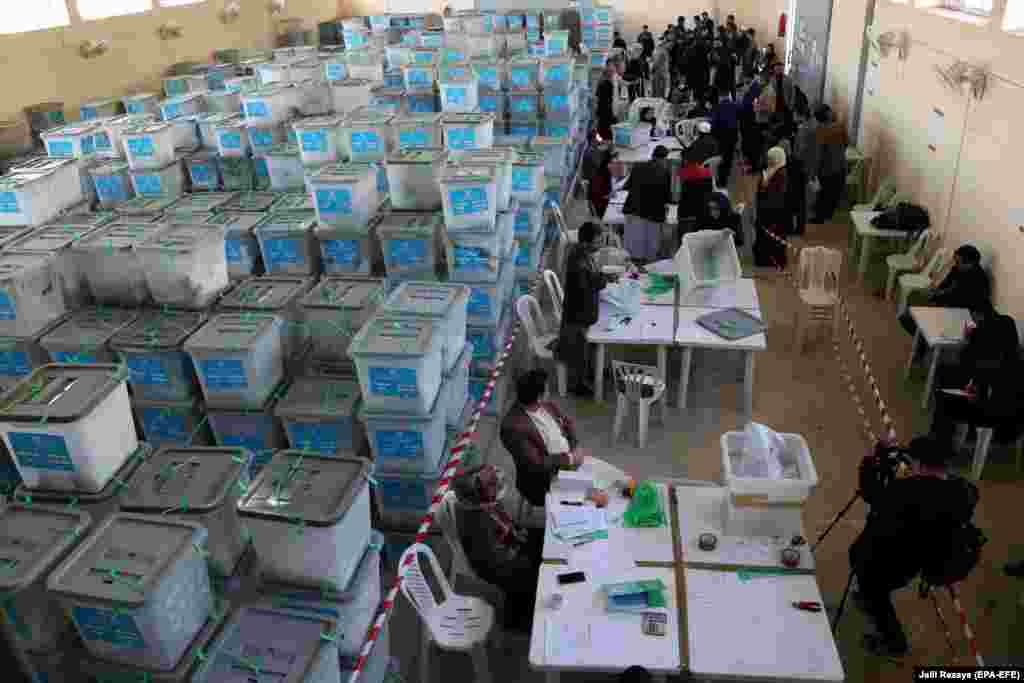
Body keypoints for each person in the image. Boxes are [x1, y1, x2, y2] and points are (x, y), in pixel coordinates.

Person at [850, 436, 980, 657]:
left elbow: (871, 493)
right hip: (926, 557)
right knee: (877, 586)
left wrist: (873, 461)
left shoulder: (904, 491)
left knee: (875, 591)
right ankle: (868, 598)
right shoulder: (964, 490)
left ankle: (894, 644)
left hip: (892, 560)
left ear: (917, 462)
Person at [452, 463, 544, 630]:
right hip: (496, 565)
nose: (498, 488)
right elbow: (494, 561)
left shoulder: (485, 504)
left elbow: (504, 522)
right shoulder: (476, 524)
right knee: (534, 574)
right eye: (492, 486)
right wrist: (522, 554)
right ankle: (519, 619)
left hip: (505, 546)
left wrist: (517, 533)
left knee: (540, 538)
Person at [931, 303, 1022, 448]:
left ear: (979, 315)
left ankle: (940, 445)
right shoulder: (1008, 326)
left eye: (973, 318)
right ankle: (948, 438)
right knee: (949, 378)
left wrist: (967, 339)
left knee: (946, 398)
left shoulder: (982, 333)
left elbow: (967, 361)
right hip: (1010, 417)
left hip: (996, 415)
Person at [500, 368, 594, 504]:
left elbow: (567, 424)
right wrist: (570, 458)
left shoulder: (546, 405)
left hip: (569, 462)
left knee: (600, 485)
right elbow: (535, 464)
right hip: (543, 481)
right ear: (539, 397)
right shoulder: (512, 427)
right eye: (547, 390)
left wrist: (575, 446)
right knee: (590, 500)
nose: (549, 392)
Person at [555, 223, 609, 395]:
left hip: (582, 313)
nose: (600, 245)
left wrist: (601, 277)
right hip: (577, 316)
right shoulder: (579, 261)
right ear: (586, 242)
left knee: (589, 345)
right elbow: (588, 286)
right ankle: (578, 384)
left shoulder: (584, 254)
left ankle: (592, 371)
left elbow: (593, 278)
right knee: (579, 350)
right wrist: (602, 280)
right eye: (598, 241)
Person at [898, 244, 991, 335]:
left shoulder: (978, 279)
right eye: (955, 260)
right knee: (907, 314)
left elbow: (956, 296)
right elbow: (945, 285)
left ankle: (925, 340)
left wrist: (934, 296)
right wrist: (935, 291)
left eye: (958, 262)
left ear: (970, 264)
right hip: (948, 308)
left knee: (909, 318)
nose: (955, 264)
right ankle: (924, 339)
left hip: (962, 316)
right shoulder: (958, 270)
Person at [622, 145, 672, 263]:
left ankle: (635, 266)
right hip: (653, 213)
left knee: (634, 244)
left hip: (634, 209)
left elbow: (627, 186)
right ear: (664, 159)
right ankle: (647, 268)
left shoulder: (637, 166)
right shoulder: (665, 172)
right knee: (651, 246)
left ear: (652, 155)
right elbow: (667, 197)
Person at [809, 105, 849, 224]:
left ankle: (820, 217)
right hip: (841, 165)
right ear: (827, 114)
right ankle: (828, 215)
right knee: (834, 192)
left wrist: (814, 171)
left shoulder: (819, 131)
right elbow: (847, 143)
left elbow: (818, 153)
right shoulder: (840, 127)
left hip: (826, 167)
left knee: (824, 193)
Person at [753, 146, 789, 267]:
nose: (768, 161)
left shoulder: (781, 174)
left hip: (774, 213)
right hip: (766, 210)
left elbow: (776, 196)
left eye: (771, 159)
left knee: (772, 237)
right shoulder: (772, 170)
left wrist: (764, 185)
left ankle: (771, 260)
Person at [710, 89, 739, 188]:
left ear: (720, 97)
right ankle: (727, 180)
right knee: (729, 159)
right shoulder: (735, 105)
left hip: (720, 137)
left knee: (721, 159)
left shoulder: (718, 107)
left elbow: (714, 124)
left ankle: (721, 181)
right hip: (732, 136)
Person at [596, 55, 625, 141]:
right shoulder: (604, 83)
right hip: (606, 117)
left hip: (610, 115)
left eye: (613, 67)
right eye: (609, 67)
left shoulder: (612, 79)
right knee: (606, 137)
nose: (612, 69)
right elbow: (603, 104)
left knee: (609, 137)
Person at [588, 144, 614, 218]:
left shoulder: (597, 170)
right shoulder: (605, 173)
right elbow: (606, 194)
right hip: (601, 211)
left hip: (595, 207)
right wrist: (612, 194)